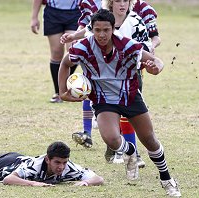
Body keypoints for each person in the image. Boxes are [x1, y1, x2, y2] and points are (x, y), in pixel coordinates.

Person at [58, 9, 181, 196]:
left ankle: (167, 179)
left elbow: (156, 61)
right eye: (97, 30)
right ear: (91, 29)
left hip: (130, 97)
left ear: (113, 29)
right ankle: (130, 151)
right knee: (111, 139)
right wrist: (62, 92)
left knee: (150, 140)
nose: (101, 34)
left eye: (106, 30)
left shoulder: (128, 45)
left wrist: (156, 68)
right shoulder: (83, 47)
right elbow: (65, 63)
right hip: (103, 100)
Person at [61, 0, 160, 168]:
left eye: (125, 1)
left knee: (128, 114)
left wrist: (151, 61)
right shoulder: (101, 17)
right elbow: (88, 31)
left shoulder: (136, 19)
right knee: (92, 94)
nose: (121, 4)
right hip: (103, 72)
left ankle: (132, 152)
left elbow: (149, 44)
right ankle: (112, 144)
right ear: (110, 3)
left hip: (130, 74)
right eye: (117, 1)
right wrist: (74, 37)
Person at [30, 0, 79, 103]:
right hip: (53, 13)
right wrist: (34, 17)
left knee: (74, 51)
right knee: (56, 53)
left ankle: (65, 87)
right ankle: (59, 92)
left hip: (76, 12)